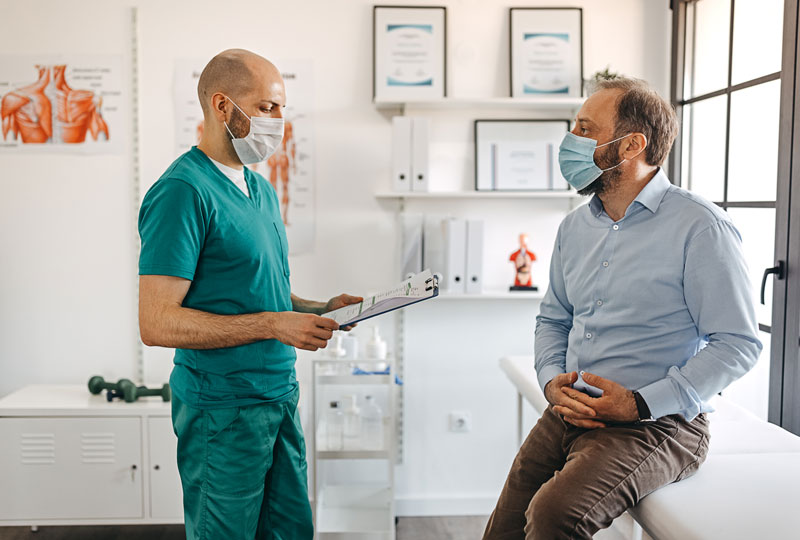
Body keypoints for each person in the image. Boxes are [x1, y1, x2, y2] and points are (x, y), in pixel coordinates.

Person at [483, 77, 761, 539]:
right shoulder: (574, 228)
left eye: (584, 129)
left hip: (659, 423)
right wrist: (553, 381)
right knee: (505, 528)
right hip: (572, 412)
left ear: (631, 144)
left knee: (554, 515)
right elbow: (554, 319)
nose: (569, 142)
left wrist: (638, 403)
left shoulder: (700, 226)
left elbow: (737, 343)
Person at [137, 49, 361, 540]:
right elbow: (156, 323)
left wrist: (321, 308)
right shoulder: (181, 192)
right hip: (223, 411)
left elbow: (263, 293)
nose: (279, 121)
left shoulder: (259, 190)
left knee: (289, 532)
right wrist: (273, 325)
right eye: (266, 108)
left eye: (281, 108)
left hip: (278, 396)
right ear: (222, 107)